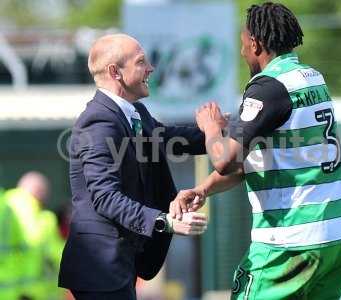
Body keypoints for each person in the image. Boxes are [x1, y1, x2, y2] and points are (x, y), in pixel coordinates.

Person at [172, 2, 341, 299]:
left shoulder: (268, 87)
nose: (243, 51)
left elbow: (224, 160)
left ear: (256, 44)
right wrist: (204, 189)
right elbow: (263, 161)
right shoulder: (312, 78)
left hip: (292, 241)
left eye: (243, 44)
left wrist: (210, 126)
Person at [58, 34, 208, 300]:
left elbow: (178, 139)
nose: (151, 68)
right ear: (115, 72)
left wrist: (235, 130)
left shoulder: (136, 113)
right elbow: (105, 197)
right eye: (141, 62)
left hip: (116, 266)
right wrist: (165, 222)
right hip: (100, 267)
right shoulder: (98, 122)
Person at [4, 171, 64, 300]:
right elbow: (59, 256)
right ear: (40, 192)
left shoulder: (4, 204)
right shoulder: (44, 219)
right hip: (29, 292)